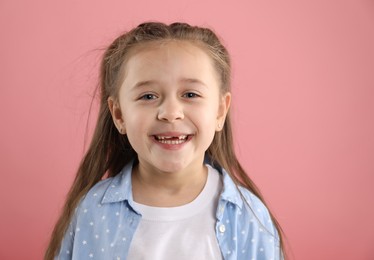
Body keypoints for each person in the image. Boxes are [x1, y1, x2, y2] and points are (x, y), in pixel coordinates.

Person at [45, 22, 285, 260]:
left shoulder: (249, 217)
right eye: (148, 96)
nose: (171, 112)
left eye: (190, 94)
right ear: (119, 115)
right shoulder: (93, 211)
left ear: (220, 111)